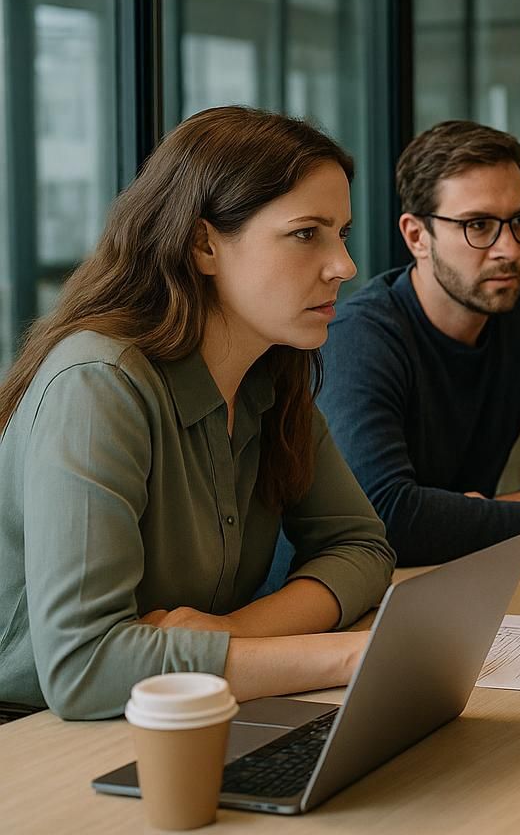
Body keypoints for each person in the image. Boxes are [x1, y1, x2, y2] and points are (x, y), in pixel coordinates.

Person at [0, 107, 395, 721]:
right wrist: (344, 658)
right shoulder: (98, 384)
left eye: (341, 233)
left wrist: (234, 632)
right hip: (36, 735)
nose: (344, 265)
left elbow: (362, 547)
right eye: (306, 234)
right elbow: (84, 668)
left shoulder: (271, 374)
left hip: (181, 712)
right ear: (204, 244)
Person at [281, 120, 520, 570]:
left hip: (461, 576)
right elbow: (383, 516)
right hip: (347, 591)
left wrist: (488, 516)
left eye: (519, 221)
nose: (510, 250)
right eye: (478, 225)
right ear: (417, 236)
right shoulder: (359, 337)